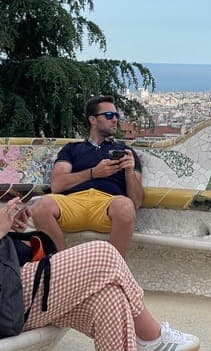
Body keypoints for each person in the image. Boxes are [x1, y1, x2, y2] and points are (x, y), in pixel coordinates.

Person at [0, 105, 199, 351]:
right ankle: (152, 333)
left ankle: (145, 339)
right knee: (103, 254)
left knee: (110, 299)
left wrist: (8, 223)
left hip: (7, 282)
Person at [29, 95, 142, 256]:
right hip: (73, 202)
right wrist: (93, 173)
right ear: (93, 120)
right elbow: (57, 185)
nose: (115, 120)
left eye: (116, 115)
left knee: (125, 206)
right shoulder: (72, 149)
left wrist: (129, 171)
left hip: (108, 204)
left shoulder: (125, 152)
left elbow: (136, 201)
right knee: (41, 206)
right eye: (109, 115)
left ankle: (111, 271)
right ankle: (63, 264)